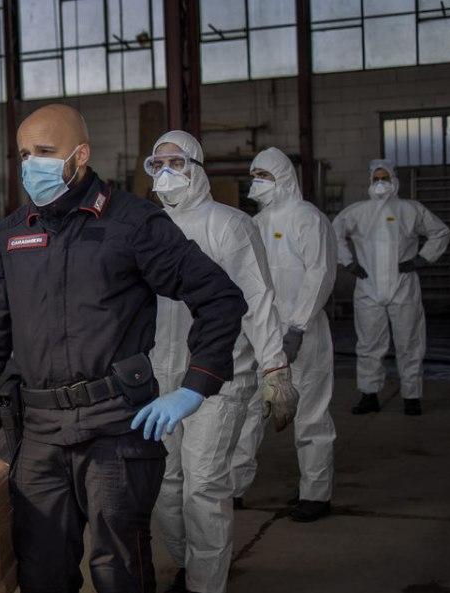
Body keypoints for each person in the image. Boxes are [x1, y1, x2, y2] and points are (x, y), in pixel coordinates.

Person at [0, 104, 248, 593]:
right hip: (40, 433)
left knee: (119, 571)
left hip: (115, 428)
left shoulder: (133, 224)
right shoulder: (14, 234)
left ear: (80, 155)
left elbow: (220, 297)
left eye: (44, 151)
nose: (30, 164)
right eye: (23, 154)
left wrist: (195, 386)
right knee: (41, 572)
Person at [145, 132, 298, 593]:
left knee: (204, 486)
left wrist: (274, 368)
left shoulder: (229, 225)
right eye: (158, 164)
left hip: (219, 377)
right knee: (166, 484)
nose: (167, 172)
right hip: (159, 377)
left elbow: (257, 299)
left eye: (176, 163)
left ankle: (205, 584)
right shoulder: (146, 228)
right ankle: (189, 566)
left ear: (197, 168)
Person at [231, 147, 339, 523]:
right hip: (261, 333)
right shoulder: (255, 224)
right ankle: (234, 487)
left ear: (284, 178)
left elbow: (320, 273)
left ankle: (315, 493)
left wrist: (298, 326)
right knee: (249, 411)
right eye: (254, 175)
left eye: (264, 175)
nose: (256, 182)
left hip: (303, 332)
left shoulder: (308, 218)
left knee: (310, 413)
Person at [333, 159, 450, 416]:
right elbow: (334, 232)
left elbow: (440, 232)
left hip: (403, 286)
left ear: (394, 180)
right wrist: (348, 262)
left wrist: (422, 259)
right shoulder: (358, 212)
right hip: (368, 287)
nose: (380, 183)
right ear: (369, 181)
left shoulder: (411, 210)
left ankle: (412, 397)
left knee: (409, 343)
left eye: (384, 178)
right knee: (369, 345)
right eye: (375, 179)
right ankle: (369, 395)